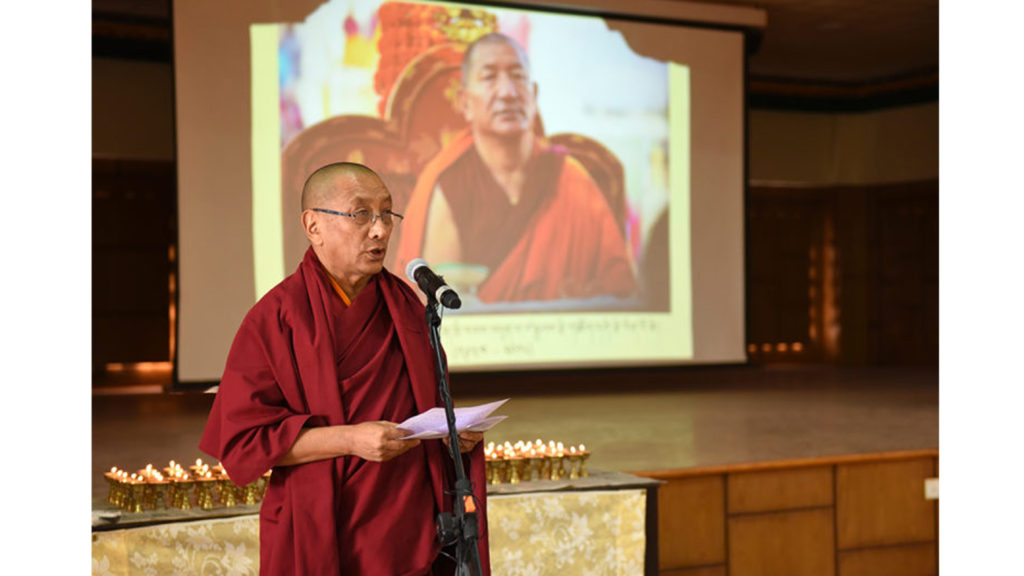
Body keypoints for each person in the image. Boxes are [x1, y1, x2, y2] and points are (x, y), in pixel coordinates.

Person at [200, 162, 490, 575]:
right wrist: (350, 440)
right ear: (313, 225)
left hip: (410, 525)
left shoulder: (408, 308)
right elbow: (244, 444)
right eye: (361, 215)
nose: (380, 230)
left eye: (387, 214)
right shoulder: (276, 318)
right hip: (321, 523)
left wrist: (450, 436)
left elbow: (426, 407)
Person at [394, 32, 637, 304]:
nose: (508, 92)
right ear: (464, 102)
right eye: (489, 77)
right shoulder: (448, 185)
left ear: (533, 95)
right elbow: (440, 308)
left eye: (518, 76)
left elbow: (618, 290)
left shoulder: (570, 177)